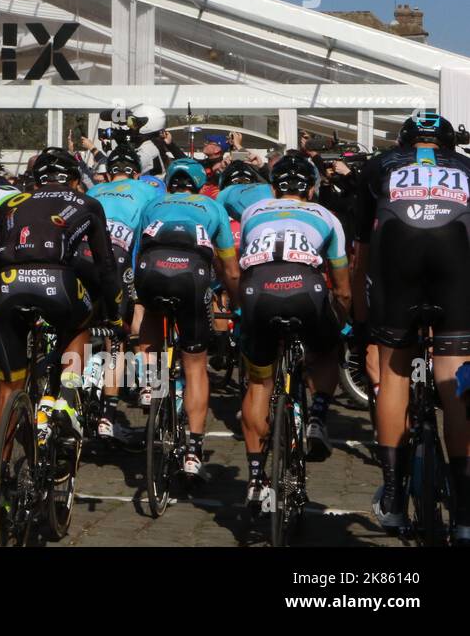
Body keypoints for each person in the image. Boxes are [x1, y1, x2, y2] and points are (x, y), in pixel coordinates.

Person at [354, 110, 470, 541]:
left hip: (396, 258)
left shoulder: (380, 165)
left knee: (394, 373)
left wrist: (361, 322)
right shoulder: (466, 168)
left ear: (404, 143)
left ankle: (394, 500)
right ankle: (464, 514)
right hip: (456, 257)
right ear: (449, 146)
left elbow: (362, 248)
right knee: (454, 378)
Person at [236, 152, 351, 512]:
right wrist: (343, 322)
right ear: (312, 189)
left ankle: (256, 479)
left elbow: (246, 265)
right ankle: (317, 414)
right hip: (306, 290)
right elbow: (343, 287)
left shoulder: (253, 212)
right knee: (328, 350)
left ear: (273, 188)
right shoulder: (327, 216)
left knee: (259, 383)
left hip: (259, 291)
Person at [0, 147, 118, 460]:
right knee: (80, 324)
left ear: (37, 179)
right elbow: (105, 265)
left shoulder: (11, 202)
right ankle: (68, 395)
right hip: (55, 281)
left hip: (7, 284)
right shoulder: (87, 202)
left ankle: (1, 476)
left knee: (8, 386)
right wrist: (114, 315)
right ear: (74, 180)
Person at [134, 157, 240, 478]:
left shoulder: (154, 203)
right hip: (191, 274)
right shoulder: (212, 206)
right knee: (195, 365)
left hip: (151, 267)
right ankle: (194, 450)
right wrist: (235, 302)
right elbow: (230, 268)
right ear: (197, 184)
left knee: (152, 310)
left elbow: (138, 249)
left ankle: (150, 383)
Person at [86, 144, 160, 441]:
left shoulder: (95, 191)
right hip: (124, 255)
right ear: (136, 172)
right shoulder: (147, 189)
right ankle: (149, 385)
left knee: (111, 338)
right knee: (145, 315)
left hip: (91, 257)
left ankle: (107, 414)